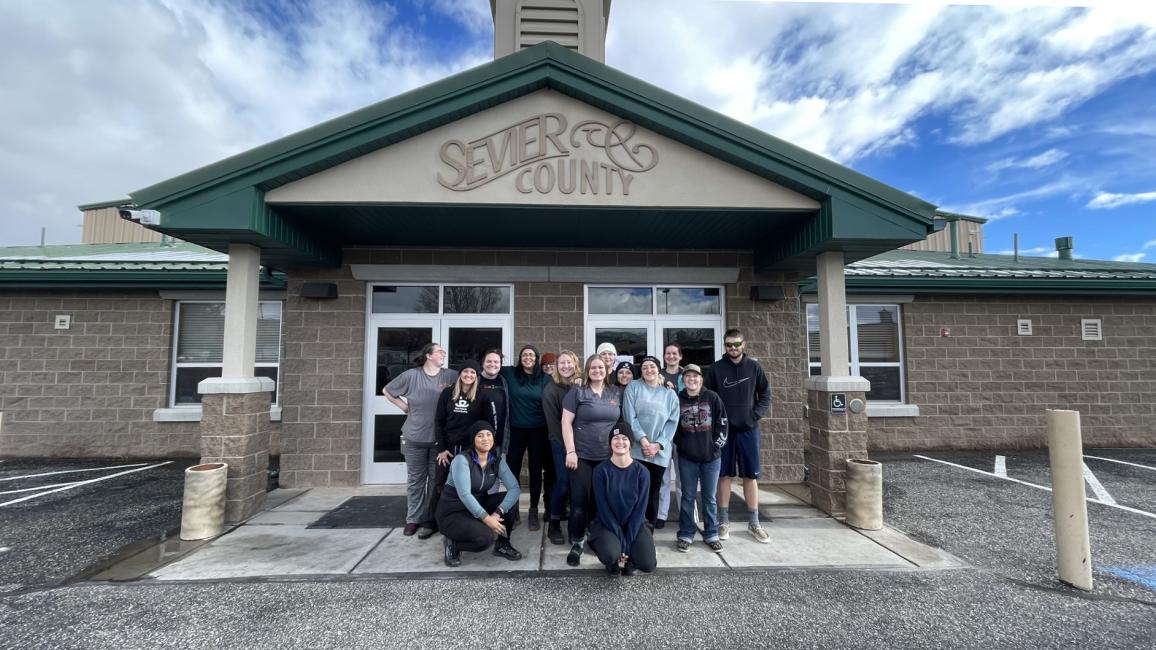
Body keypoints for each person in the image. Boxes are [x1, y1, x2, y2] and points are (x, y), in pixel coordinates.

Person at [383, 343, 458, 538]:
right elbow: (387, 391)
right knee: (416, 480)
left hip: (438, 441)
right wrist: (404, 407)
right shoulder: (411, 375)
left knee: (435, 481)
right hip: (414, 437)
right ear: (428, 356)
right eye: (439, 351)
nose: (443, 354)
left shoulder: (450, 376)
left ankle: (429, 519)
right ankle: (412, 519)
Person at [704, 328, 772, 544]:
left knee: (749, 476)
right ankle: (723, 522)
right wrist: (716, 424)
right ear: (724, 346)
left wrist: (754, 416)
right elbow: (708, 398)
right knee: (723, 475)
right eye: (728, 345)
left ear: (744, 344)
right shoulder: (716, 369)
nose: (733, 349)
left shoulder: (754, 367)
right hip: (724, 432)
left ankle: (754, 523)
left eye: (736, 344)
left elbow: (766, 395)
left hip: (748, 431)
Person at [561, 354, 622, 566]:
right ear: (587, 371)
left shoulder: (615, 392)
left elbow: (621, 424)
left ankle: (596, 539)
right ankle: (577, 541)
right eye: (593, 367)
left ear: (607, 370)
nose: (597, 370)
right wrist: (570, 451)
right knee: (579, 502)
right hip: (582, 456)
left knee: (600, 502)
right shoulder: (577, 392)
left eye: (601, 367)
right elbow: (565, 422)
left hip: (607, 458)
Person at [436, 421, 522, 567]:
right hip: (453, 513)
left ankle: (502, 544)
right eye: (480, 435)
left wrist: (498, 512)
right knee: (484, 540)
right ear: (473, 440)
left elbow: (514, 488)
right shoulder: (462, 460)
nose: (485, 438)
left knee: (511, 501)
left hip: (478, 505)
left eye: (489, 435)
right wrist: (487, 519)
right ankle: (453, 543)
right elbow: (464, 495)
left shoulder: (496, 461)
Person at [588, 422, 656, 576]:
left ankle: (629, 558)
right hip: (607, 523)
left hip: (635, 523)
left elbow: (640, 511)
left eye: (624, 438)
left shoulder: (642, 472)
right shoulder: (601, 471)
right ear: (610, 443)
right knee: (610, 553)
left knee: (648, 564)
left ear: (631, 443)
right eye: (616, 438)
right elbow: (603, 509)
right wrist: (623, 541)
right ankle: (613, 562)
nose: (620, 442)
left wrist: (627, 542)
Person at [674, 364, 728, 553]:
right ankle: (686, 533)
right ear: (683, 380)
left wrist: (716, 446)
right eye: (688, 376)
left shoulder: (712, 398)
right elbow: (674, 427)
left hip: (711, 458)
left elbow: (722, 424)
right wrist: (682, 445)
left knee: (709, 498)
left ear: (701, 379)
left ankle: (711, 533)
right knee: (688, 497)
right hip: (687, 458)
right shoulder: (677, 399)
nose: (692, 379)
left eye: (695, 376)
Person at [500, 344, 553, 531]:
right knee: (512, 469)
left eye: (531, 355)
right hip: (516, 430)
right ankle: (512, 509)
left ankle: (532, 510)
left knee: (535, 470)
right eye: (525, 355)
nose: (528, 357)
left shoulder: (545, 379)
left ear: (536, 358)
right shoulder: (510, 374)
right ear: (520, 357)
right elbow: (487, 367)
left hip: (538, 430)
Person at [622, 356, 680, 526]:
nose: (649, 370)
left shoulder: (669, 394)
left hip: (659, 452)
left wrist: (657, 444)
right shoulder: (633, 387)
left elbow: (672, 422)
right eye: (645, 367)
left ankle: (648, 530)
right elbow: (629, 416)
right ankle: (632, 527)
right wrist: (644, 441)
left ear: (658, 369)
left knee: (653, 492)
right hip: (637, 451)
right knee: (634, 491)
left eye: (652, 367)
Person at [427, 360, 484, 533]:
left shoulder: (481, 395)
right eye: (465, 371)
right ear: (460, 374)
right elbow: (439, 421)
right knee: (440, 483)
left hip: (469, 449)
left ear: (476, 376)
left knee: (468, 485)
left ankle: (465, 519)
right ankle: (430, 522)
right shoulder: (447, 393)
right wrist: (441, 448)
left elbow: (483, 423)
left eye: (472, 372)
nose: (469, 375)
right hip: (448, 448)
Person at [541, 349, 582, 545]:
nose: (566, 366)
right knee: (564, 483)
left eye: (569, 362)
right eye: (562, 363)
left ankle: (578, 523)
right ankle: (554, 522)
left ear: (575, 364)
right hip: (560, 442)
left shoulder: (581, 386)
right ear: (557, 367)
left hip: (583, 444)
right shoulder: (551, 390)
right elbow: (554, 424)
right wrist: (569, 449)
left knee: (579, 485)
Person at [655, 343, 685, 527]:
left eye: (675, 353)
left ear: (680, 356)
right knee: (663, 478)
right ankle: (661, 514)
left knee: (683, 479)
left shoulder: (687, 375)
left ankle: (686, 514)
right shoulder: (659, 376)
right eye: (668, 353)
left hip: (684, 434)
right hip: (664, 433)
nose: (671, 356)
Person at [477, 350, 511, 452]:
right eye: (489, 361)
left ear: (500, 365)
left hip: (498, 441)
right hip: (477, 439)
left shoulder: (504, 382)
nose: (492, 364)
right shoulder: (475, 380)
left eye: (496, 362)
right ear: (483, 363)